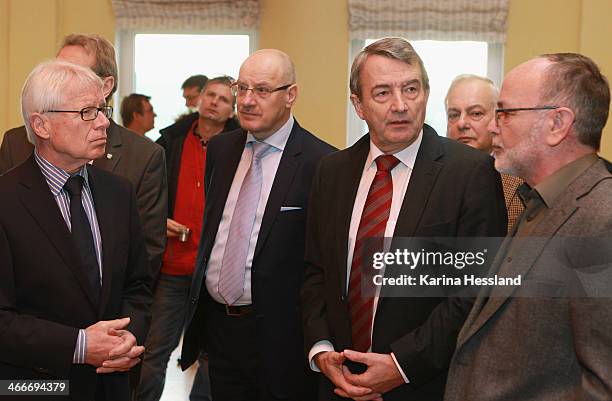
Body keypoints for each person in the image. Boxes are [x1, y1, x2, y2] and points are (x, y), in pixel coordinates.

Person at [301, 37, 507, 401]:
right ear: (358, 105)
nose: (400, 105)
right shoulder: (330, 172)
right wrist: (321, 350)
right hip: (337, 384)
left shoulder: (470, 173)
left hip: (422, 384)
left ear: (426, 94)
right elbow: (316, 270)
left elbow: (474, 290)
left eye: (411, 89)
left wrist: (400, 365)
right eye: (382, 93)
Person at [445, 53, 612, 401]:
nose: (492, 126)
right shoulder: (537, 200)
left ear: (557, 124)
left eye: (505, 113)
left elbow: (602, 384)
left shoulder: (602, 219)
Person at [180, 49, 336, 401]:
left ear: (290, 95)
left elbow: (321, 263)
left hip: (280, 338)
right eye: (242, 88)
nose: (247, 101)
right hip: (218, 331)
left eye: (262, 91)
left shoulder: (322, 163)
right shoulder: (221, 149)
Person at [0, 60, 152, 401]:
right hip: (34, 386)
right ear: (42, 125)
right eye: (87, 112)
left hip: (110, 383)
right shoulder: (6, 202)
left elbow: (138, 286)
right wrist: (80, 345)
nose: (103, 123)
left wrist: (129, 337)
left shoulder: (118, 192)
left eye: (102, 109)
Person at [0, 33, 167, 278]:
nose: (59, 78)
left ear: (106, 86)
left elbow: (144, 258)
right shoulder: (17, 143)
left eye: (72, 71)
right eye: (57, 69)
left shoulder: (143, 157)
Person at [135, 76, 237, 401]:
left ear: (232, 109)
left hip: (216, 272)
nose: (215, 102)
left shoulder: (242, 145)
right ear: (199, 99)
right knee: (154, 353)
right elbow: (150, 197)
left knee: (212, 358)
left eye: (223, 98)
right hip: (173, 267)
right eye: (211, 95)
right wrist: (156, 220)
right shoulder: (170, 141)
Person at [445, 74, 524, 230]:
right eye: (453, 115)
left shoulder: (523, 182)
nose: (461, 123)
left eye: (475, 113)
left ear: (498, 119)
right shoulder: (431, 176)